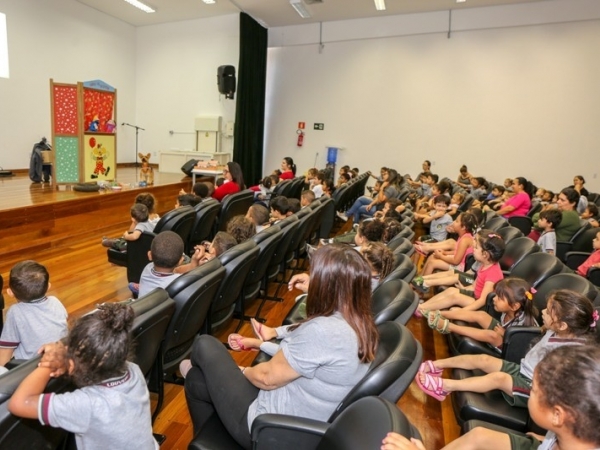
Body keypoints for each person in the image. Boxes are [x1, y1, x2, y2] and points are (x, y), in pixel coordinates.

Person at [183, 244, 379, 449]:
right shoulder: (361, 322)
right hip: (292, 419)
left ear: (327, 286)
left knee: (204, 344)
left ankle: (196, 371)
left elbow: (266, 378)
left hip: (266, 427)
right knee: (197, 382)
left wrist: (240, 371)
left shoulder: (324, 330)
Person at [384, 344, 600, 450]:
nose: (529, 390)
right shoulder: (574, 435)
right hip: (545, 443)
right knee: (479, 435)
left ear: (557, 415)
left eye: (533, 390)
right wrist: (546, 440)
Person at [8, 303, 158, 450]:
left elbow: (19, 403)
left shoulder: (87, 405)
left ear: (72, 364)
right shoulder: (133, 371)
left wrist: (49, 362)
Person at [415, 289, 596, 405]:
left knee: (499, 378)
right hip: (524, 369)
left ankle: (445, 386)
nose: (542, 312)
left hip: (535, 387)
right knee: (483, 359)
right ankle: (437, 366)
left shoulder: (572, 354)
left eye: (548, 312)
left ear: (562, 325)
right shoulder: (558, 330)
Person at [426, 278, 538, 350]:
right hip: (504, 333)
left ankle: (448, 326)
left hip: (510, 349)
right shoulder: (513, 310)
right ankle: (440, 313)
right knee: (481, 315)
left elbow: (518, 348)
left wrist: (505, 334)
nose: (494, 299)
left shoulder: (524, 327)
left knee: (491, 335)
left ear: (514, 306)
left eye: (499, 298)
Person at [415, 230, 505, 316]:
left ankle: (420, 308)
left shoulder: (493, 274)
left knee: (455, 297)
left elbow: (482, 301)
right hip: (475, 297)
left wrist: (462, 311)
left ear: (485, 254)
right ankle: (423, 307)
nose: (473, 248)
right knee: (451, 290)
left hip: (482, 305)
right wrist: (463, 289)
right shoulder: (485, 264)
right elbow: (474, 286)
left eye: (476, 247)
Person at [0, 261, 68, 371]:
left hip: (30, 368)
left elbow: (6, 349)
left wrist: (2, 374)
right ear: (48, 287)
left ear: (10, 292)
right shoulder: (55, 302)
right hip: (60, 360)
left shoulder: (15, 312)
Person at [133, 231, 235, 297]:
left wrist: (194, 262)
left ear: (150, 255)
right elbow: (176, 272)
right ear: (181, 260)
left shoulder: (147, 269)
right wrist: (195, 264)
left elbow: (175, 271)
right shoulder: (179, 282)